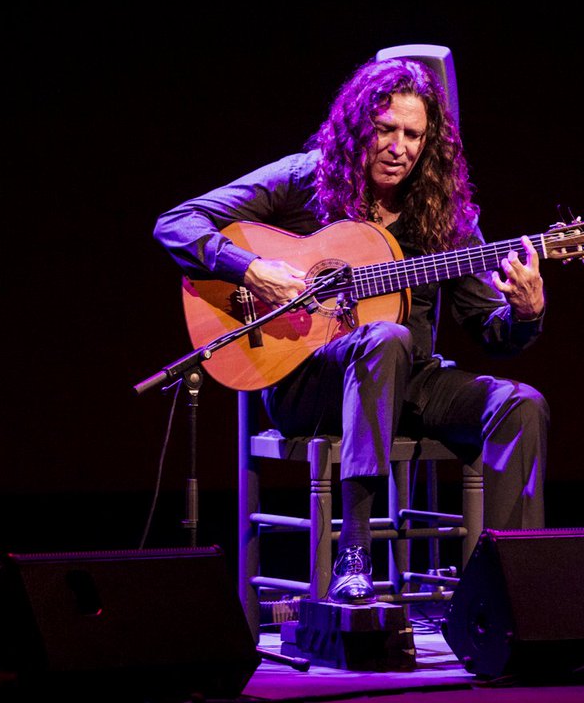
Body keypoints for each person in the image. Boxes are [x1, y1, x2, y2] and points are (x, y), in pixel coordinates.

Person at [154, 56, 549, 603]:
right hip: (306, 383)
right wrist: (251, 269)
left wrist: (524, 313)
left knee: (520, 405)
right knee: (386, 339)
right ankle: (355, 550)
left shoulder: (444, 214)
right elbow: (176, 224)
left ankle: (513, 588)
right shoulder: (303, 180)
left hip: (411, 381)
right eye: (386, 129)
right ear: (358, 125)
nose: (398, 147)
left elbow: (489, 328)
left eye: (414, 135)